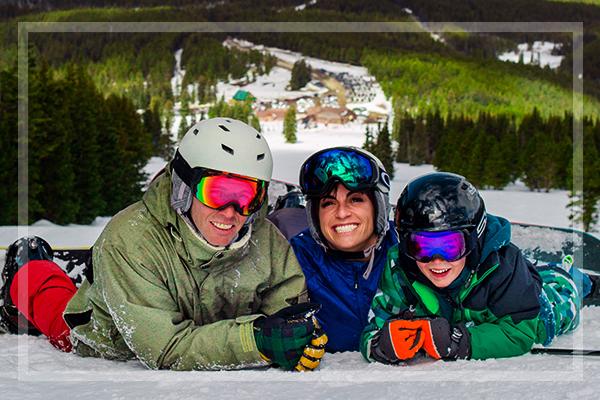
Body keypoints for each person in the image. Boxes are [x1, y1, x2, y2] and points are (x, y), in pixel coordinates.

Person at [0, 118, 327, 371]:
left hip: (203, 324)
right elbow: (165, 348)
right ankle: (28, 266)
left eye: (247, 196)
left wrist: (295, 338)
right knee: (53, 305)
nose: (231, 213)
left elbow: (288, 312)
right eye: (217, 192)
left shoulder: (266, 240)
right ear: (184, 187)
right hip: (110, 339)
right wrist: (256, 340)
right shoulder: (131, 237)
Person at [360, 172, 597, 364]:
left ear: (474, 240)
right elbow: (374, 326)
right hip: (510, 286)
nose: (436, 260)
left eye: (451, 246)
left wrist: (459, 342)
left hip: (541, 306)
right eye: (421, 246)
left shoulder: (503, 266)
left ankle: (574, 277)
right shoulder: (399, 269)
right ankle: (537, 271)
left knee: (563, 295)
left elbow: (519, 334)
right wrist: (380, 345)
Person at [289, 146, 398, 353]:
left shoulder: (410, 251)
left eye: (355, 199)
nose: (342, 213)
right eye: (328, 203)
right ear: (315, 215)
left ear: (378, 205)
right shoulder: (295, 259)